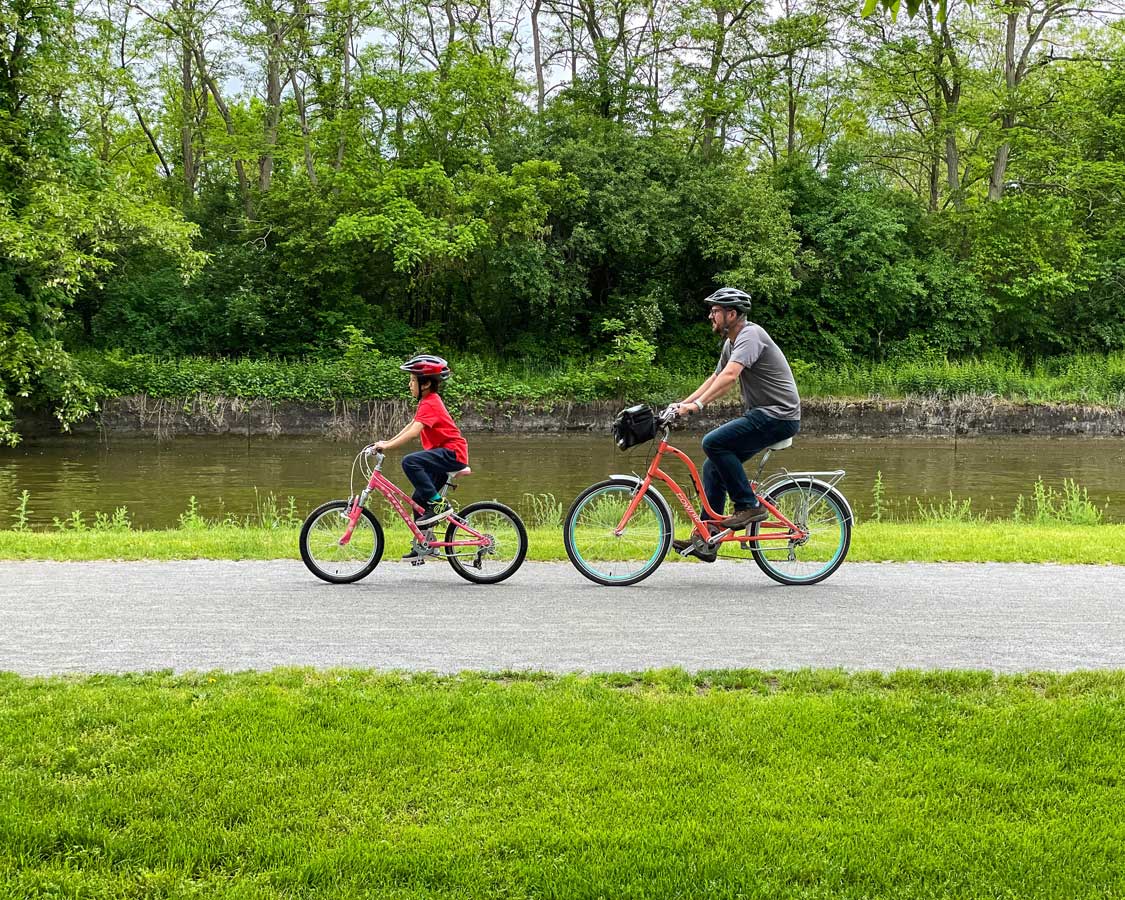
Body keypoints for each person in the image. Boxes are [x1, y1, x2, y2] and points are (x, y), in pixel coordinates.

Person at [670, 287, 801, 562]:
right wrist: (682, 404)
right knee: (713, 466)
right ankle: (708, 537)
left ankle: (748, 505)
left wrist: (698, 406)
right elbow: (715, 377)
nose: (710, 316)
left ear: (732, 314)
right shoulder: (731, 342)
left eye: (715, 311)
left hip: (779, 415)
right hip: (765, 414)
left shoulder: (750, 335)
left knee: (712, 442)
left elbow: (730, 376)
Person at [371, 354, 469, 558]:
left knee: (410, 461)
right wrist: (385, 443)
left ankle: (439, 504)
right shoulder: (427, 402)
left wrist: (388, 447)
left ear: (425, 383)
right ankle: (427, 544)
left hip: (452, 453)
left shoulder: (431, 402)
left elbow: (414, 432)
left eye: (412, 380)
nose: (409, 385)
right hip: (444, 455)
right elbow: (410, 426)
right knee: (418, 499)